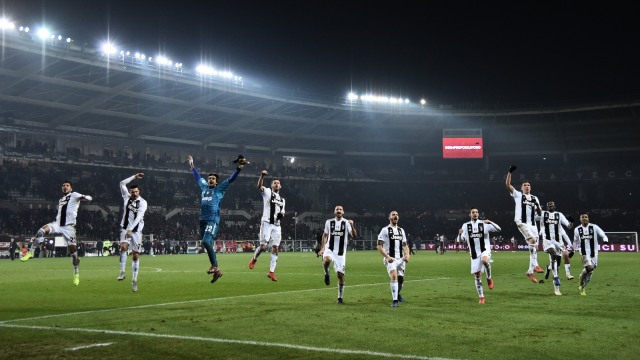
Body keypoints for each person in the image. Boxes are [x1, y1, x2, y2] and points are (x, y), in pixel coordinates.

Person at [188, 154, 249, 284]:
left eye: (213, 179)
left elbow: (231, 179)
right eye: (209, 178)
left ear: (216, 181)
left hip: (212, 220)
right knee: (207, 243)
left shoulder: (220, 189)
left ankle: (215, 266)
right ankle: (217, 271)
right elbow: (198, 177)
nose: (210, 180)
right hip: (202, 220)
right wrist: (192, 165)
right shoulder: (204, 187)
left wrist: (239, 168)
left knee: (205, 241)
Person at [21, 180, 92, 286]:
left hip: (69, 228)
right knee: (41, 231)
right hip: (58, 224)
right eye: (63, 186)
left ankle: (76, 274)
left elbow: (85, 197)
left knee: (73, 254)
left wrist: (87, 197)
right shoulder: (61, 199)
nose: (65, 187)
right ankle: (31, 252)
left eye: (67, 186)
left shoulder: (74, 195)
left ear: (71, 188)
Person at [505, 165, 544, 283]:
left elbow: (540, 213)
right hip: (521, 222)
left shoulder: (535, 198)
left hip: (533, 224)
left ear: (530, 188)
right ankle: (536, 265)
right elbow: (507, 185)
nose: (527, 186)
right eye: (525, 185)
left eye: (528, 185)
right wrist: (510, 172)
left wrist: (539, 208)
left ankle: (530, 271)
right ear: (522, 188)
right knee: (532, 241)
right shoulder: (518, 195)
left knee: (535, 247)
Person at [458, 208, 502, 304]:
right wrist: (459, 234)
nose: (475, 213)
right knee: (477, 276)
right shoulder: (465, 226)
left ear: (478, 214)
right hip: (474, 253)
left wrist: (490, 222)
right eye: (473, 212)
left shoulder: (484, 224)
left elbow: (499, 229)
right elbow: (462, 240)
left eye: (476, 212)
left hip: (484, 250)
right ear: (470, 214)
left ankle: (489, 278)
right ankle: (481, 297)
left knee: (485, 261)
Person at [248, 170, 285, 282]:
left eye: (278, 183)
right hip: (267, 223)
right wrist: (262, 176)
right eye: (274, 183)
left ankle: (271, 272)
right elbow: (259, 186)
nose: (276, 184)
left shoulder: (283, 200)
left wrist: (281, 216)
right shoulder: (268, 192)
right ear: (271, 185)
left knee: (276, 248)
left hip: (277, 226)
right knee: (263, 247)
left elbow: (283, 213)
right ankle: (254, 259)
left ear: (280, 186)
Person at [116, 173, 147, 293]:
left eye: (136, 192)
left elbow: (139, 217)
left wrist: (131, 229)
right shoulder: (126, 197)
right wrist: (134, 176)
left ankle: (134, 279)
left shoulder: (143, 203)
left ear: (139, 192)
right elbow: (121, 183)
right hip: (125, 228)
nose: (134, 193)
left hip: (136, 230)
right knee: (123, 247)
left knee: (135, 255)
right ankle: (122, 271)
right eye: (132, 192)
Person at [319, 205, 357, 304]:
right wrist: (322, 248)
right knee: (326, 260)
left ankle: (340, 297)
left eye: (340, 209)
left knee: (340, 276)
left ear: (343, 212)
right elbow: (325, 235)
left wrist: (352, 225)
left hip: (340, 253)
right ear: (334, 212)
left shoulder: (346, 222)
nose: (339, 211)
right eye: (337, 209)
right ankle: (326, 274)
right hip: (330, 249)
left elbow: (353, 235)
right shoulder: (329, 222)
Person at [538, 201, 574, 295]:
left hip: (558, 241)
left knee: (565, 255)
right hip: (548, 241)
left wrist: (571, 222)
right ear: (547, 207)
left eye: (552, 205)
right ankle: (557, 288)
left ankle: (567, 274)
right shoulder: (543, 214)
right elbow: (534, 216)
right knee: (554, 256)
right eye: (549, 205)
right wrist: (537, 209)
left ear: (555, 206)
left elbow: (568, 226)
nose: (550, 206)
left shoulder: (559, 215)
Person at [377, 211, 410, 308]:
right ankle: (395, 300)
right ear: (389, 218)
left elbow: (405, 245)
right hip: (390, 259)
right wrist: (387, 257)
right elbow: (379, 246)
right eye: (393, 215)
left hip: (401, 259)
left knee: (401, 279)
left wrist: (407, 254)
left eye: (397, 215)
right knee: (394, 277)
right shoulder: (385, 230)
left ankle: (398, 294)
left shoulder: (401, 230)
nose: (395, 216)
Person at [573, 211, 608, 296]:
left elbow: (602, 233)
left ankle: (583, 286)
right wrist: (573, 250)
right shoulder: (577, 229)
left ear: (588, 218)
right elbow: (575, 241)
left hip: (594, 253)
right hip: (584, 252)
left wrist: (605, 239)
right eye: (582, 217)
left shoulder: (594, 227)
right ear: (580, 219)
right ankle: (581, 277)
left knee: (590, 272)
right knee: (590, 267)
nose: (584, 218)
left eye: (586, 217)